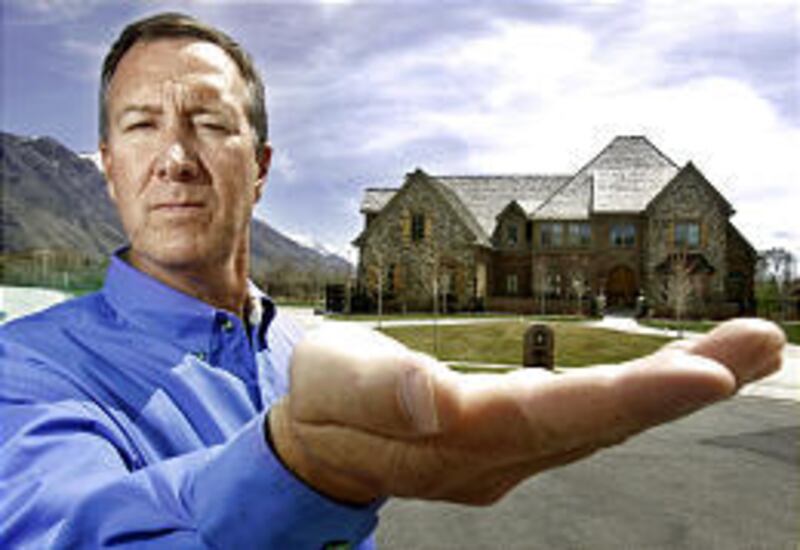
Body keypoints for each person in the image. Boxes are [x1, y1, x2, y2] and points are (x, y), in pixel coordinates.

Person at [0, 12, 786, 549]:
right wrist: (301, 467)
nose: (175, 156)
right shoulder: (24, 372)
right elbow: (59, 524)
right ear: (106, 168)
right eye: (141, 125)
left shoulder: (308, 355)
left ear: (262, 166)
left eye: (209, 123)